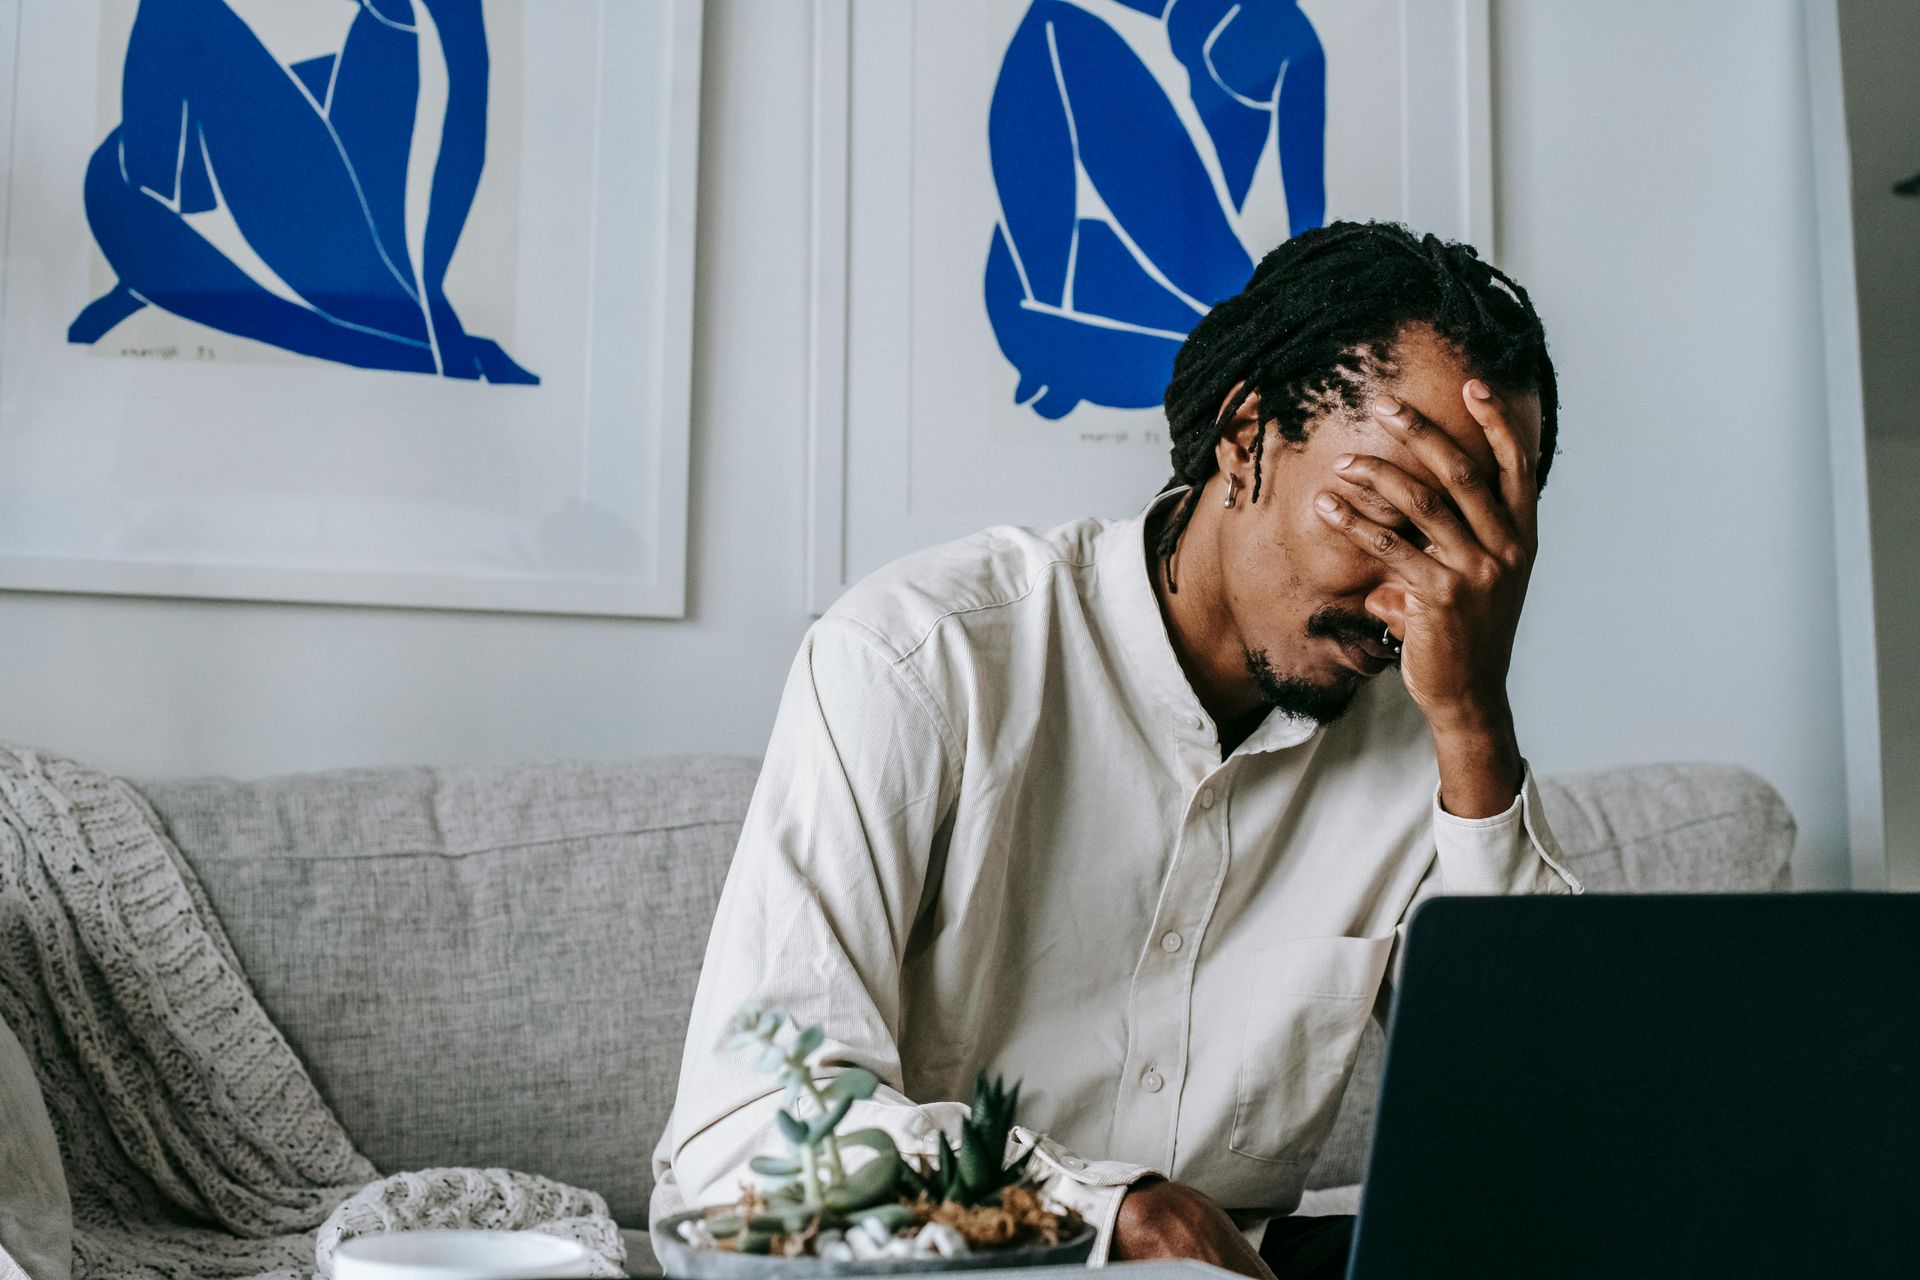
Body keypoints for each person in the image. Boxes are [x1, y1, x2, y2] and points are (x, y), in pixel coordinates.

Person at [651, 221, 1582, 1280]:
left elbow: (1546, 1147)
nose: (1411, 600)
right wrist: (1117, 1215)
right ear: (1248, 436)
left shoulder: (1433, 714)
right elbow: (752, 1137)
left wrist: (1475, 723)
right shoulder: (920, 660)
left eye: (1469, 549)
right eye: (1394, 517)